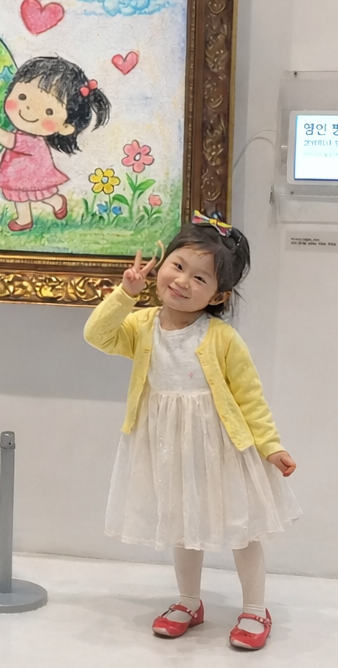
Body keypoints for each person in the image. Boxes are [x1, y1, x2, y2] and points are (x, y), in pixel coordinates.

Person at [83, 214, 300, 651]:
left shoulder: (221, 338)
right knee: (183, 524)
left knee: (244, 528)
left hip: (223, 449)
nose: (182, 281)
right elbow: (97, 335)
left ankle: (255, 609)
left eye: (199, 277)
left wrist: (271, 446)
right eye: (177, 265)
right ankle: (188, 601)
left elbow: (250, 397)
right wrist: (125, 293)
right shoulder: (143, 326)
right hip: (169, 446)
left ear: (218, 295)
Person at [0, 56, 110, 232]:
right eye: (22, 96)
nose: (28, 109)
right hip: (19, 173)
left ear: (66, 127)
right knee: (22, 195)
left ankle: (55, 203)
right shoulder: (26, 133)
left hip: (31, 174)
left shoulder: (31, 141)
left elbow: (8, 140)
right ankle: (26, 218)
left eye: (49, 111)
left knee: (36, 194)